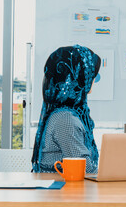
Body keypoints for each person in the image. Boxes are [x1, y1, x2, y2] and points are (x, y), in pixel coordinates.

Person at [32, 45, 101, 173]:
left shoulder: (65, 113)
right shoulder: (66, 119)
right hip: (63, 190)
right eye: (90, 76)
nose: (92, 81)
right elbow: (84, 169)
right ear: (79, 79)